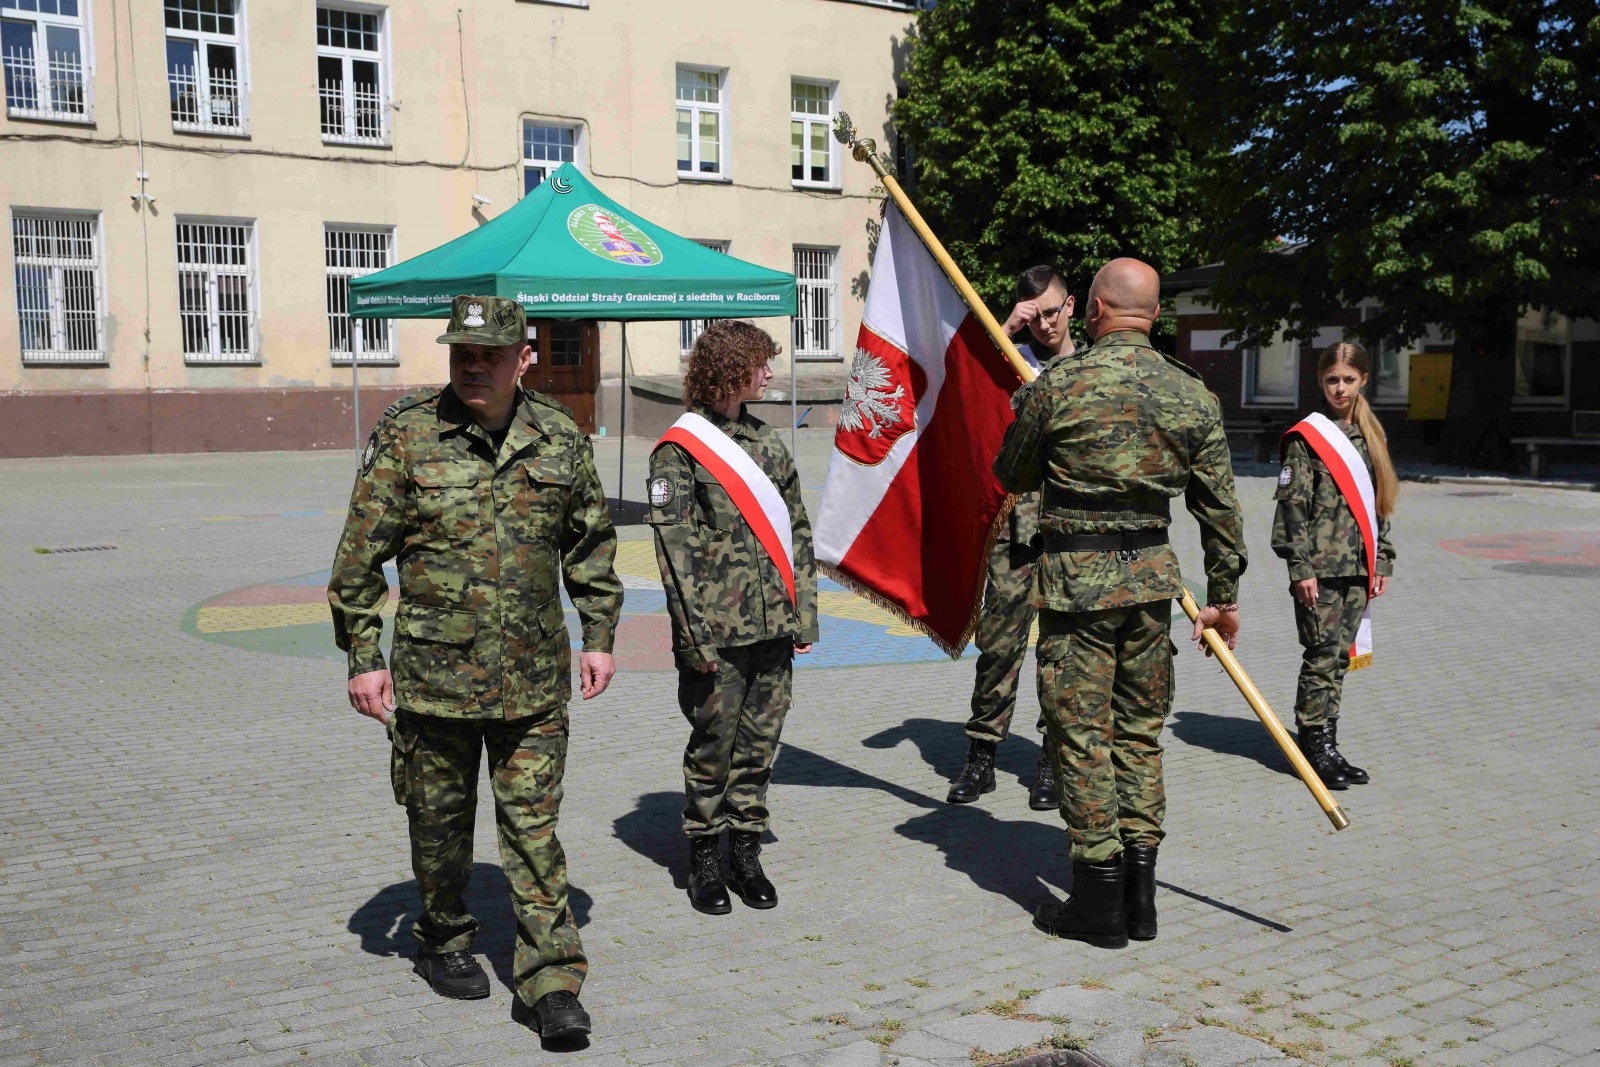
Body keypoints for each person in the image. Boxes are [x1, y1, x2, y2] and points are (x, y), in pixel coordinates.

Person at [328, 295, 622, 1041]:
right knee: (439, 828)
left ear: (523, 357)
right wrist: (365, 656)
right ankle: (446, 935)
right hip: (433, 682)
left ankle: (550, 978)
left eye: (490, 353)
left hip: (532, 684)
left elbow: (589, 545)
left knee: (533, 830)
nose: (473, 365)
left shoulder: (558, 435)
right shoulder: (408, 434)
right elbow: (359, 560)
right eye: (462, 351)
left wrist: (599, 633)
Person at [993, 258, 1247, 949]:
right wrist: (1222, 597)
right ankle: (1143, 898)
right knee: (1138, 735)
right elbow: (1220, 506)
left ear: (1095, 310)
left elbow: (1009, 472)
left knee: (1081, 736)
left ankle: (1099, 899)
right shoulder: (1191, 393)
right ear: (1155, 316)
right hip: (1152, 588)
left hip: (1079, 584)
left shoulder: (1062, 385)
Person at [646, 320, 819, 916]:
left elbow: (798, 532)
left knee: (760, 745)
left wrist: (805, 617)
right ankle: (705, 858)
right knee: (713, 744)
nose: (770, 372)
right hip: (716, 633)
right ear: (729, 367)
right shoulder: (680, 450)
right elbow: (674, 554)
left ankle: (747, 852)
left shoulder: (768, 443)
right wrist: (693, 636)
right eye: (760, 363)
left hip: (772, 627)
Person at [949, 264, 1077, 810]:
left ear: (1071, 306)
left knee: (1062, 649)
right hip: (1015, 529)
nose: (1045, 325)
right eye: (1035, 316)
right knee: (999, 643)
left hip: (1074, 530)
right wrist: (1007, 327)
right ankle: (982, 756)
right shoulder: (1011, 362)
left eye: (1052, 312)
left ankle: (1050, 760)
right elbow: (967, 388)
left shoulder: (1092, 368)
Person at [1272, 342, 1398, 788]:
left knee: (1341, 659)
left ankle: (1329, 743)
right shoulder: (1309, 438)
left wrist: (1381, 560)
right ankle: (1312, 747)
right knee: (1321, 656)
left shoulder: (1372, 436)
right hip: (1320, 571)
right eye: (1331, 380)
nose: (1339, 388)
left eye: (1348, 379)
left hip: (1358, 569)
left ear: (1363, 379)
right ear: (1320, 381)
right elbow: (1292, 509)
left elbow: (1380, 508)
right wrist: (1300, 569)